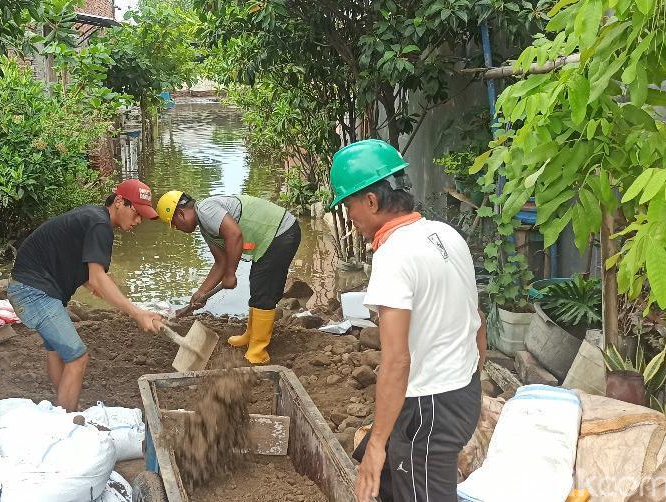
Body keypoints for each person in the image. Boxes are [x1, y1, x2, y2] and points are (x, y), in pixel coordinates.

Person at [328, 140, 486, 502]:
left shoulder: (395, 255)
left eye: (349, 205)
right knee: (386, 479)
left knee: (394, 467)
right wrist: (472, 376)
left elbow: (396, 361)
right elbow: (476, 318)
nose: (349, 216)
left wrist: (376, 446)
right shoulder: (445, 235)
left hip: (431, 407)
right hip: (461, 394)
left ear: (371, 201)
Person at [9, 179, 166, 411]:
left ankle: (64, 404)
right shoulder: (100, 225)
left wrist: (99, 285)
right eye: (137, 213)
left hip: (29, 286)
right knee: (77, 357)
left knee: (57, 351)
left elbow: (85, 271)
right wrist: (136, 312)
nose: (138, 220)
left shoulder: (93, 217)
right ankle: (67, 419)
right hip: (34, 292)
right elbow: (97, 278)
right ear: (120, 202)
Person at [155, 190, 301, 364]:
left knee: (264, 289)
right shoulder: (205, 226)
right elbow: (220, 263)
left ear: (180, 213)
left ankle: (258, 351)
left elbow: (234, 234)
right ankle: (251, 336)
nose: (177, 229)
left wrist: (231, 274)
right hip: (269, 239)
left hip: (281, 232)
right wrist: (201, 292)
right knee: (258, 285)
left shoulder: (206, 210)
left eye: (175, 224)